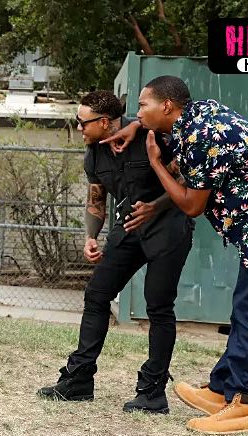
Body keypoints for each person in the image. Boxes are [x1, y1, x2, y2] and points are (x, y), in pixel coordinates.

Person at [104, 76, 248, 434]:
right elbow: (167, 134)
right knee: (246, 305)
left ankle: (245, 406)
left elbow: (191, 205)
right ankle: (222, 391)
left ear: (167, 106)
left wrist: (155, 163)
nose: (137, 113)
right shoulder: (198, 115)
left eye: (142, 106)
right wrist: (137, 127)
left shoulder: (202, 137)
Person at [37, 90, 194, 414]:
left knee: (158, 306)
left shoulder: (150, 136)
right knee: (97, 294)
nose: (79, 127)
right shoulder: (94, 155)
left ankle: (152, 393)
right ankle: (79, 380)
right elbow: (96, 201)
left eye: (83, 122)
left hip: (168, 228)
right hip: (129, 230)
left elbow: (184, 179)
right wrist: (90, 236)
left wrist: (155, 206)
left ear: (105, 122)